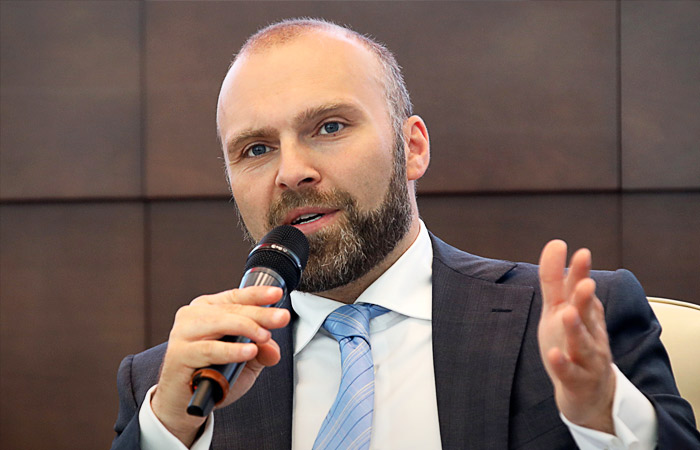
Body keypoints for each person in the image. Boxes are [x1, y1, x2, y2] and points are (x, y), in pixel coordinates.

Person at [111, 18, 699, 449]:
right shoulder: (174, 389)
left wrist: (604, 417)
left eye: (329, 127)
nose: (291, 171)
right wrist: (171, 430)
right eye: (256, 149)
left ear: (412, 148)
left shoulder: (574, 324)